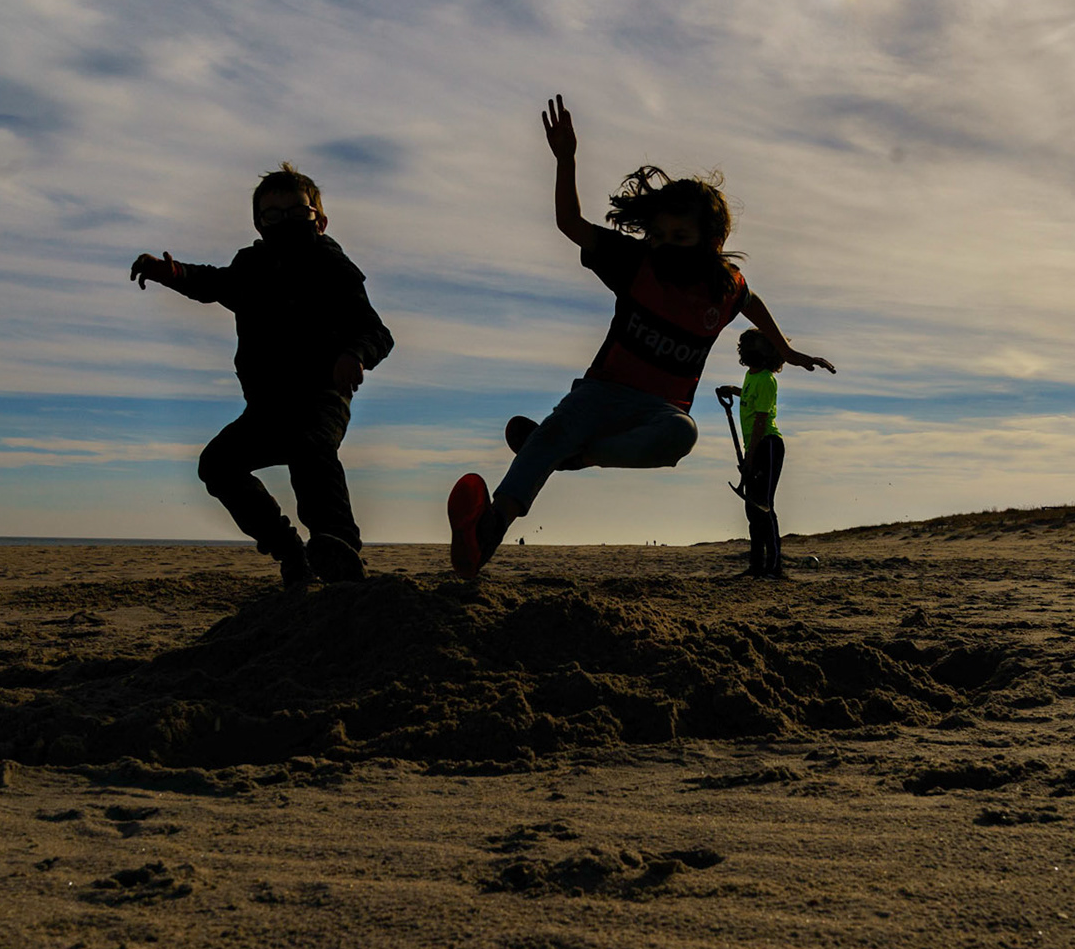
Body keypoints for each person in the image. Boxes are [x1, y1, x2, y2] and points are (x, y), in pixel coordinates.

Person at [447, 95, 834, 579]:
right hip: (600, 392)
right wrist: (566, 160)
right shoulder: (638, 264)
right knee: (546, 438)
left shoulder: (722, 286)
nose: (668, 246)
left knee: (683, 435)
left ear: (711, 242)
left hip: (660, 413)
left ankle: (581, 456)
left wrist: (787, 349)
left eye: (681, 237)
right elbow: (570, 225)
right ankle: (487, 531)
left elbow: (751, 302)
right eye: (662, 235)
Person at [131, 163, 393, 588]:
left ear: (319, 221)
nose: (285, 221)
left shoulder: (333, 268)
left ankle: (339, 550)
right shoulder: (251, 268)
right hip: (266, 408)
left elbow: (376, 331)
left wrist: (354, 353)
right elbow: (212, 283)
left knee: (312, 452)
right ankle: (291, 553)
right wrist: (171, 272)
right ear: (259, 223)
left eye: (297, 212)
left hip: (320, 397)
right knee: (217, 464)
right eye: (273, 215)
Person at [715, 328, 790, 578]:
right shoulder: (751, 376)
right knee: (752, 509)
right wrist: (733, 389)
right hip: (756, 447)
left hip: (767, 445)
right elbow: (749, 395)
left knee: (763, 506)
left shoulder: (767, 379)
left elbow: (760, 420)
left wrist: (750, 457)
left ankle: (774, 567)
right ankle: (756, 566)